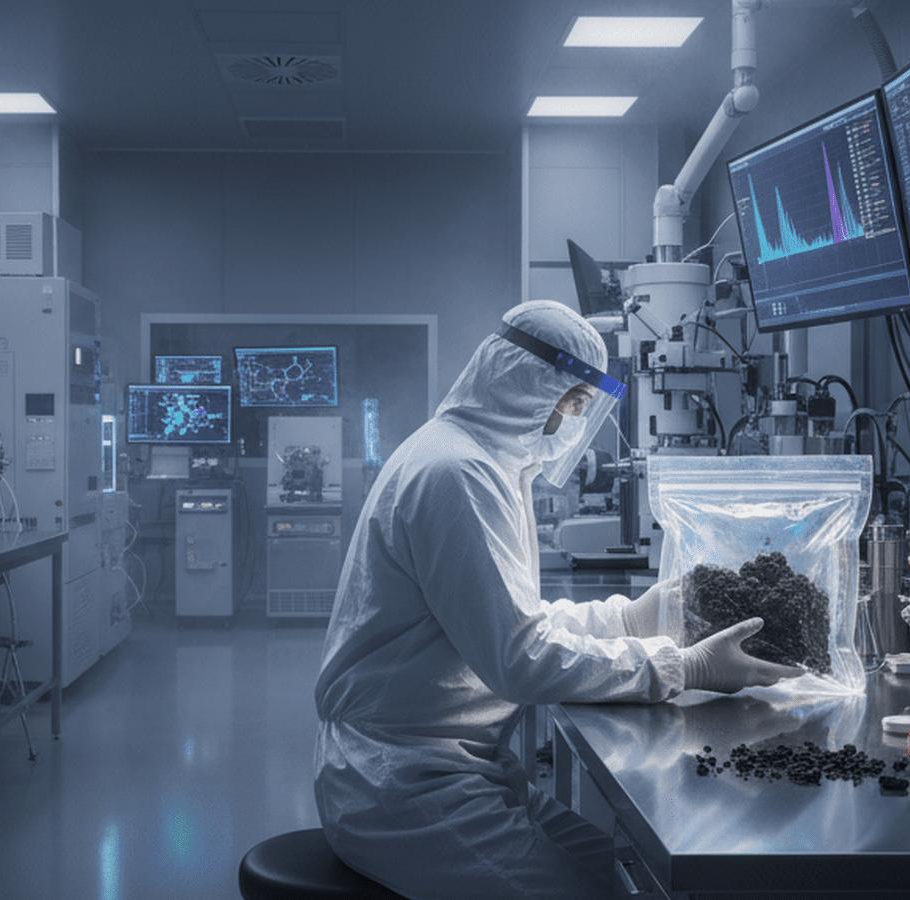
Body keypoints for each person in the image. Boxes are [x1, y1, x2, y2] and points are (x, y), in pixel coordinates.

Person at [314, 300, 796, 899]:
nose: (572, 422)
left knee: (628, 879)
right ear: (525, 383)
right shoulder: (455, 474)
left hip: (459, 770)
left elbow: (517, 620)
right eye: (572, 402)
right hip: (404, 787)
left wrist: (632, 615)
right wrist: (686, 666)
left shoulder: (480, 461)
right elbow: (518, 658)